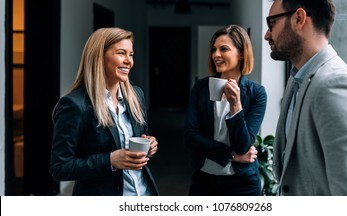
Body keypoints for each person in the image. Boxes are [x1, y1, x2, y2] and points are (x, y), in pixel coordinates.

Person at [264, 0, 347, 195]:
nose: (267, 35)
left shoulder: (337, 85)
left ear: (299, 19)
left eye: (271, 23)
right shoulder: (296, 79)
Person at [50, 27, 159, 196]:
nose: (129, 61)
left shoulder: (136, 96)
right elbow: (60, 168)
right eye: (121, 53)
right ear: (99, 57)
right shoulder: (74, 105)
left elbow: (142, 142)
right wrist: (110, 160)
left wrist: (150, 145)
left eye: (131, 54)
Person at [184, 25, 267, 195]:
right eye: (214, 49)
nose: (216, 55)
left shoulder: (256, 93)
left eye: (224, 49)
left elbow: (243, 146)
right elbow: (190, 136)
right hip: (204, 180)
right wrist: (230, 155)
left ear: (241, 53)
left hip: (243, 183)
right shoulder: (201, 88)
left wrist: (235, 104)